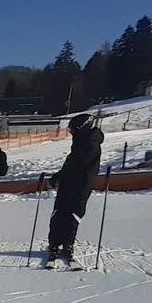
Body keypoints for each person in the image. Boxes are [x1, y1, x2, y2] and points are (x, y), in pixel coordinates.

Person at [47, 113, 104, 265]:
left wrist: (56, 177)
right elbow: (71, 163)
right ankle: (54, 243)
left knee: (73, 214)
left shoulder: (90, 143)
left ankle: (68, 244)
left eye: (72, 129)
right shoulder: (81, 140)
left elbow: (76, 166)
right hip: (69, 183)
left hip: (81, 185)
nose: (70, 132)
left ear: (81, 128)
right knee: (59, 212)